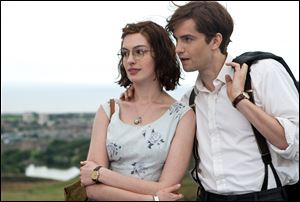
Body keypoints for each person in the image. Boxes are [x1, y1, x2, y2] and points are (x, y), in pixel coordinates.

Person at [123, 1, 299, 201]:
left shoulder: (262, 72)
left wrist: (240, 100)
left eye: (188, 39)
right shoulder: (189, 100)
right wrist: (138, 94)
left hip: (265, 196)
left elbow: (296, 145)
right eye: (177, 39)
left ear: (215, 41)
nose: (178, 49)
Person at [79, 21, 196, 201]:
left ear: (160, 55)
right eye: (125, 53)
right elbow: (91, 189)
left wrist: (101, 174)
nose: (130, 60)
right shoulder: (109, 111)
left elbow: (167, 187)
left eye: (139, 51)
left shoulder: (182, 116)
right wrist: (152, 199)